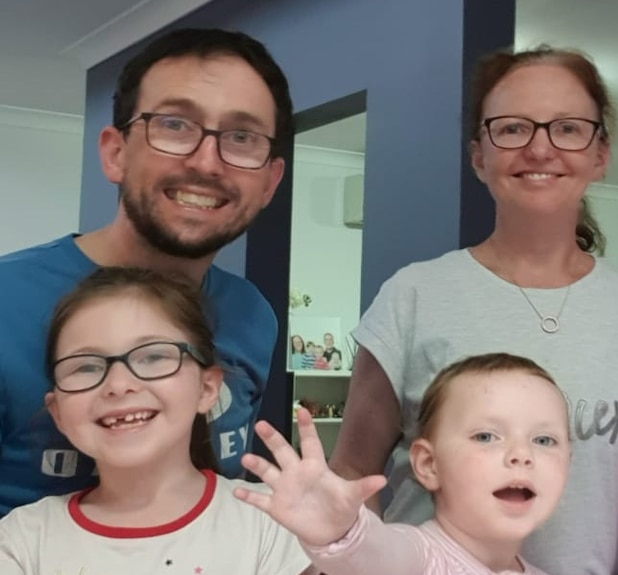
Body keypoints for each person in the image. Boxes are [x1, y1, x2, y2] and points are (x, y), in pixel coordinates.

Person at [328, 45, 618, 574]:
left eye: (568, 128)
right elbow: (354, 475)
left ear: (601, 154)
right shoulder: (414, 295)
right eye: (513, 128)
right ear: (480, 154)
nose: (540, 148)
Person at [0, 27, 292, 516]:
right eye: (175, 125)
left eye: (241, 137)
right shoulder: (8, 303)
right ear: (116, 152)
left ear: (269, 182)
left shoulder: (252, 317)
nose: (207, 162)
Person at [0, 267, 312, 574]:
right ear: (58, 412)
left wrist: (342, 544)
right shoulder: (22, 538)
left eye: (152, 357)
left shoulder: (272, 519)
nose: (119, 384)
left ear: (207, 388)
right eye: (86, 367)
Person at [237, 353, 571, 574]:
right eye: (486, 436)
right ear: (428, 464)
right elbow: (373, 555)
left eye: (544, 440)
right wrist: (340, 531)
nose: (521, 455)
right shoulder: (418, 558)